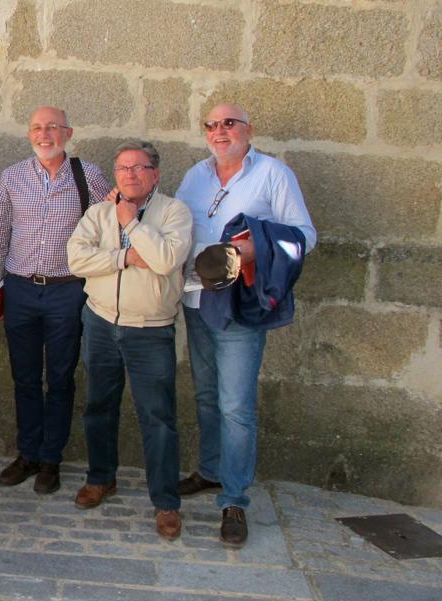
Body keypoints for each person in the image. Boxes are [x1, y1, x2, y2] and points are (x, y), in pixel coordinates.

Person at [174, 103, 317, 548]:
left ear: (247, 130)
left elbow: (305, 235)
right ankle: (213, 470)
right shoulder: (195, 176)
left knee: (236, 404)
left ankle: (234, 498)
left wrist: (257, 247)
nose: (219, 131)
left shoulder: (273, 174)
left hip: (239, 302)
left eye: (228, 123)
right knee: (205, 393)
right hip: (196, 299)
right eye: (211, 125)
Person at [66, 140, 193, 540]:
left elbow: (167, 260)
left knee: (158, 417)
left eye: (139, 168)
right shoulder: (97, 213)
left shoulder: (174, 212)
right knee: (99, 406)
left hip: (150, 330)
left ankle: (166, 503)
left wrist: (132, 224)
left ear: (155, 173)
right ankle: (101, 477)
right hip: (101, 322)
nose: (130, 175)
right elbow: (76, 259)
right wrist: (123, 257)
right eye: (122, 169)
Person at [0, 106, 112, 493]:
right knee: (24, 377)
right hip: (21, 288)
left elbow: (104, 232)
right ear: (29, 135)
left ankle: (51, 459)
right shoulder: (12, 176)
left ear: (68, 133)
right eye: (37, 128)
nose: (44, 135)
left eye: (52, 128)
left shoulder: (88, 176)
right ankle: (28, 453)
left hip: (66, 290)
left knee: (59, 377)